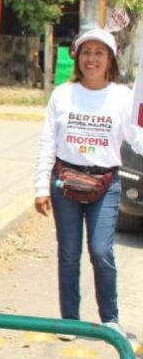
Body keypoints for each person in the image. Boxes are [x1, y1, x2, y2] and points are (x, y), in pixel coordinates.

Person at [33, 28, 143, 339]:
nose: (92, 58)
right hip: (65, 182)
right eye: (86, 52)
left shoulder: (124, 97)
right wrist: (41, 186)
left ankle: (110, 320)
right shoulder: (62, 95)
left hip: (106, 183)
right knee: (69, 252)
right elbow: (47, 142)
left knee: (101, 251)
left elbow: (136, 138)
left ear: (110, 59)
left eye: (99, 52)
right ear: (78, 57)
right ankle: (70, 321)